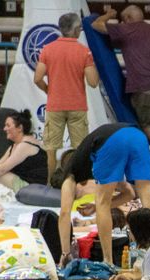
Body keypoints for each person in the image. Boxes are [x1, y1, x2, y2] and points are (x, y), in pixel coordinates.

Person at [57, 124, 150, 266]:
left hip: (111, 141)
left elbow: (64, 214)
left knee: (103, 202)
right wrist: (95, 208)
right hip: (136, 134)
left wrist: (65, 253)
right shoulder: (94, 162)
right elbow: (129, 193)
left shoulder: (70, 174)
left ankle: (108, 261)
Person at [95, 5, 150, 172]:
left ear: (128, 19)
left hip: (145, 85)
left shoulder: (126, 29)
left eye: (123, 19)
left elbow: (95, 24)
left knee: (145, 125)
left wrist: (109, 14)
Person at [34, 12, 99, 178]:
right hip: (77, 106)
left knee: (50, 150)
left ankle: (49, 184)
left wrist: (49, 90)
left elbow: (37, 78)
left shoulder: (48, 49)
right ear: (76, 29)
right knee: (80, 149)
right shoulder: (84, 52)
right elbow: (93, 82)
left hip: (55, 106)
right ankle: (78, 182)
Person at [0, 112, 48, 194]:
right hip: (23, 184)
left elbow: (2, 169)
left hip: (31, 188)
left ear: (20, 128)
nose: (4, 129)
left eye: (8, 125)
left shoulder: (25, 145)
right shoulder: (14, 145)